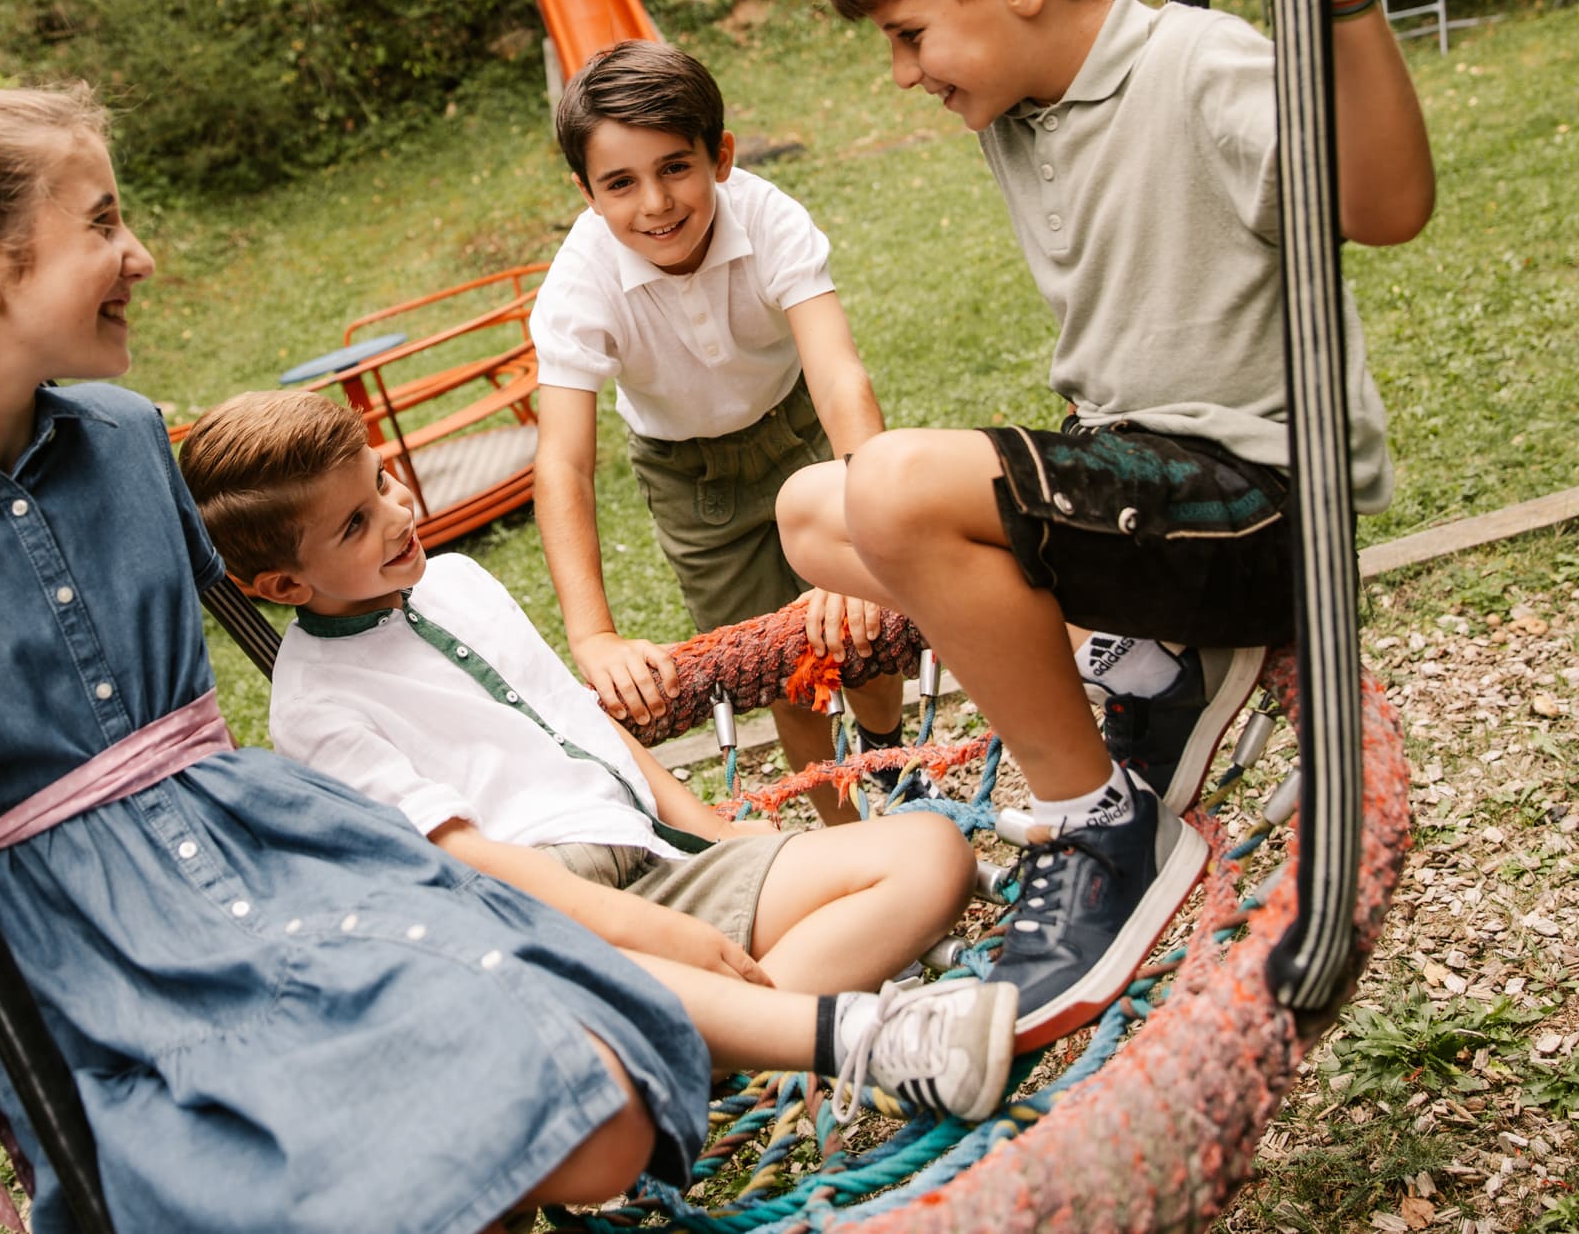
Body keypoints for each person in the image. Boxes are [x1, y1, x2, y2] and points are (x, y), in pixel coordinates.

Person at [0, 85, 1008, 1234]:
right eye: (101, 221)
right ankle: (830, 1032)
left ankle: (810, 1032)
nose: (138, 252)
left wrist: (530, 690)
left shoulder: (126, 438)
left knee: (603, 1113)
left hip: (278, 862)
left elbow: (317, 564)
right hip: (89, 959)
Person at [776, 0, 1435, 1055]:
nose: (903, 73)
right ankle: (1133, 655)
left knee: (899, 486)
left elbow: (1388, 200)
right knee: (815, 507)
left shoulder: (1202, 64)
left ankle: (1100, 823)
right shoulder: (1018, 103)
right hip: (1149, 484)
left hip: (1256, 502)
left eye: (912, 35)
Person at [179, 390, 1003, 1038]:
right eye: (356, 522)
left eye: (383, 481)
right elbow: (469, 859)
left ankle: (728, 1028)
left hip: (650, 852)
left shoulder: (458, 580)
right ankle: (756, 1024)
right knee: (834, 901)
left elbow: (580, 719)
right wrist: (656, 930)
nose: (396, 515)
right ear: (284, 587)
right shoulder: (315, 703)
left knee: (932, 850)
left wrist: (711, 831)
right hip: (555, 913)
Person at [529, 40, 908, 826]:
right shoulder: (579, 283)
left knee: (865, 629)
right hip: (689, 479)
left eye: (675, 167)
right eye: (621, 183)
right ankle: (848, 834)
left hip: (799, 430)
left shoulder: (768, 217)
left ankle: (894, 754)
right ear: (587, 193)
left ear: (721, 156)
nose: (656, 203)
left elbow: (839, 374)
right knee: (783, 669)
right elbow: (564, 463)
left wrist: (866, 516)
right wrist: (593, 633)